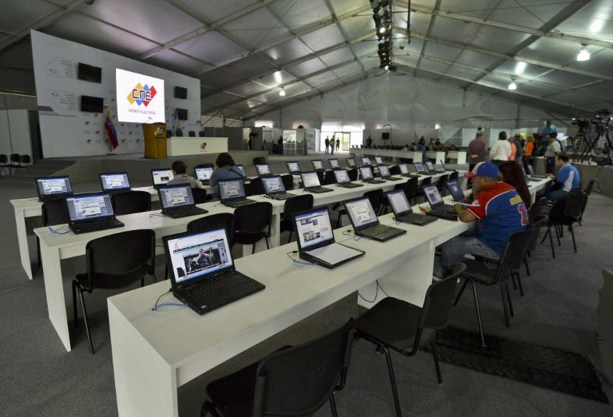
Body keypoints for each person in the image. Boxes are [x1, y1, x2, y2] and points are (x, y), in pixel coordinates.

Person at [434, 162, 529, 277]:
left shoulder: (489, 195)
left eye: (474, 179)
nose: (472, 181)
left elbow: (465, 217)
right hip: (511, 247)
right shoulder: (508, 188)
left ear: (484, 179)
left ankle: (441, 274)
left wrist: (459, 209)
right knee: (464, 233)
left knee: (451, 244)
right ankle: (451, 263)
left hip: (496, 248)